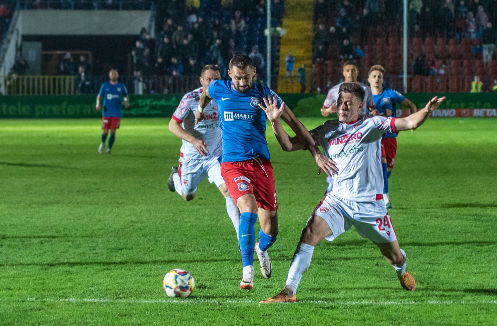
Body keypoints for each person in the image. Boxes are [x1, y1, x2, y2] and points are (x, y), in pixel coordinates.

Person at [259, 82, 446, 303]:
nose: (342, 108)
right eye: (340, 103)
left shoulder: (373, 124)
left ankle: (402, 269)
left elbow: (408, 121)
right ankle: (288, 291)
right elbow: (289, 145)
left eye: (349, 104)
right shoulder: (328, 129)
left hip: (370, 206)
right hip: (337, 201)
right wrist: (275, 121)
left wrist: (426, 111)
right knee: (309, 233)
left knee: (393, 257)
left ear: (360, 107)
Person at [195, 54, 337, 290]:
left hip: (260, 165)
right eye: (238, 78)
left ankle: (261, 249)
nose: (242, 83)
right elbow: (206, 92)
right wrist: (200, 109)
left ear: (254, 74)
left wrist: (315, 154)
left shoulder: (265, 95)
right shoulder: (219, 87)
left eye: (247, 78)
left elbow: (295, 124)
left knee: (270, 229)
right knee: (247, 208)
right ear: (229, 74)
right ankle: (246, 271)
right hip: (232, 164)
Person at [167, 65, 240, 241]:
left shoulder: (225, 96)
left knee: (229, 191)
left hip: (216, 156)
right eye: (209, 79)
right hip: (192, 158)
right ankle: (175, 178)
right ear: (201, 81)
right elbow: (172, 125)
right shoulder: (190, 99)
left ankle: (241, 238)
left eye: (217, 79)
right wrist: (193, 140)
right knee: (188, 196)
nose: (213, 83)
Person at [368, 65, 417, 209]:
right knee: (382, 169)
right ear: (369, 79)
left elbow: (411, 105)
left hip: (391, 138)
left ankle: (372, 193)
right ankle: (386, 202)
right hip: (376, 137)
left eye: (379, 76)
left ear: (383, 79)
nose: (377, 79)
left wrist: (412, 123)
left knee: (386, 174)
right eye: (374, 76)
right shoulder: (365, 97)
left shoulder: (390, 94)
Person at [96, 69, 129, 154]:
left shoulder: (121, 86)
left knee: (113, 131)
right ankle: (103, 143)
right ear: (109, 76)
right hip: (106, 112)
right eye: (112, 74)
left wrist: (126, 101)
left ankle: (109, 148)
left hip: (116, 112)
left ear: (117, 75)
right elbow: (99, 97)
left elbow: (126, 95)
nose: (113, 76)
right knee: (105, 131)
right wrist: (98, 104)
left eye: (115, 74)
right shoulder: (105, 86)